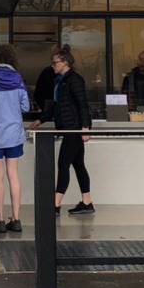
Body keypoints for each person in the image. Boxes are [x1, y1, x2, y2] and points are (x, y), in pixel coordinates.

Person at [30, 44, 95, 216]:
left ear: (65, 62)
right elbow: (57, 107)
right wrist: (40, 119)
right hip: (70, 128)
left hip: (74, 129)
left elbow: (83, 105)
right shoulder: (60, 82)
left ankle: (55, 204)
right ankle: (87, 202)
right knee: (78, 165)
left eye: (55, 63)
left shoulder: (74, 80)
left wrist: (85, 128)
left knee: (63, 164)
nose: (53, 66)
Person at [0, 45, 29, 233]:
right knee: (13, 174)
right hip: (14, 135)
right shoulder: (18, 80)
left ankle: (0, 220)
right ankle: (17, 219)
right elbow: (25, 107)